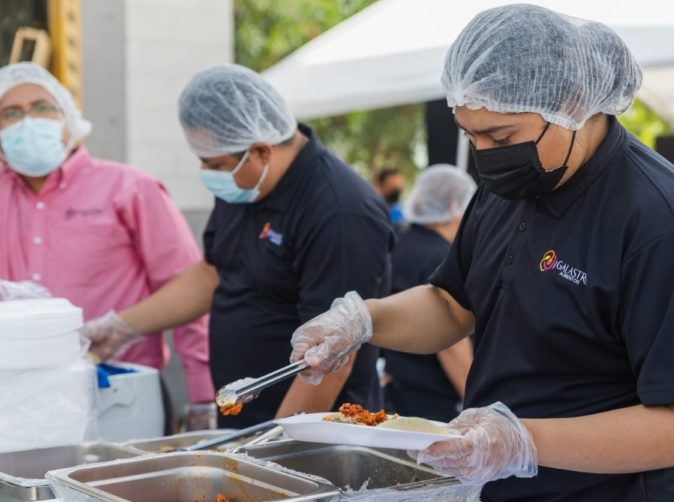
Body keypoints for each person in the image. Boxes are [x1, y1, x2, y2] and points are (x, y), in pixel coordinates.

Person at [289, 5, 674, 502]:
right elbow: (453, 305)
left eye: (500, 137)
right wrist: (366, 318)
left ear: (573, 102)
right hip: (500, 495)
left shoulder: (661, 219)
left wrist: (522, 440)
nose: (484, 155)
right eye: (471, 136)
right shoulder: (508, 187)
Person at [82, 64, 394, 428]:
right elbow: (213, 273)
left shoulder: (339, 212)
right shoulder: (245, 186)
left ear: (260, 151)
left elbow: (330, 360)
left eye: (215, 163)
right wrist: (121, 326)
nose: (208, 173)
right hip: (246, 424)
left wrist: (273, 449)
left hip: (314, 438)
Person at [0, 62, 215, 431]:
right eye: (10, 113)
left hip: (120, 393)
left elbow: (187, 289)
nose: (27, 121)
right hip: (17, 398)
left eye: (41, 107)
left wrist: (201, 395)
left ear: (68, 117)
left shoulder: (129, 188)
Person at [383, 164, 475, 422]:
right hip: (434, 401)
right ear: (456, 207)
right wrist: (477, 406)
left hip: (400, 389)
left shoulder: (402, 243)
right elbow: (451, 343)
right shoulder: (442, 258)